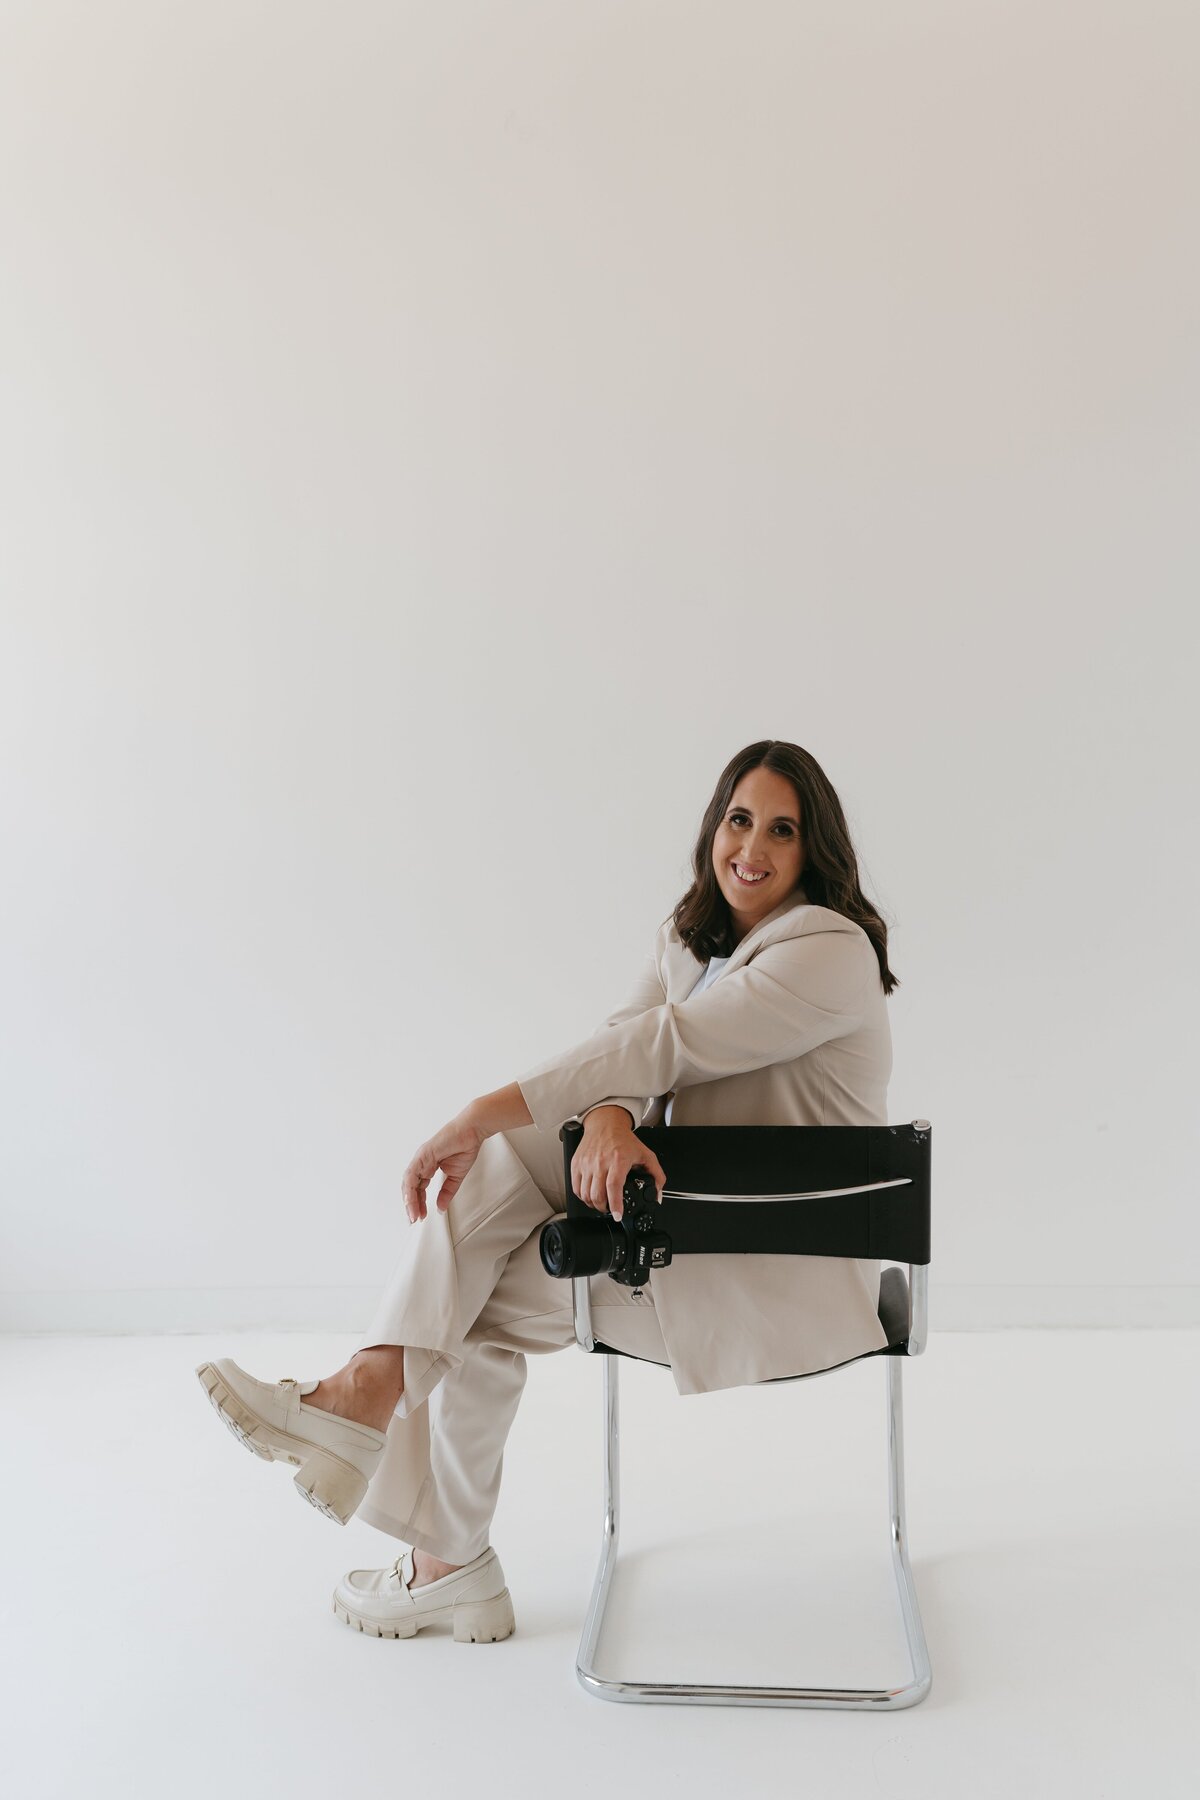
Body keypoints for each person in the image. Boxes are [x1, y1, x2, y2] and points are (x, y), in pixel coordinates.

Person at [196, 738, 900, 1643]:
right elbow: (629, 1038)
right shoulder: (692, 941)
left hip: (774, 1268)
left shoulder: (826, 952)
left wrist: (483, 1112)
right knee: (476, 1254)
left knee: (463, 1289)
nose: (751, 848)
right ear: (712, 827)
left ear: (815, 851)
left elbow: (671, 1044)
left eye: (781, 829)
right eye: (737, 819)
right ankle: (408, 1490)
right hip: (689, 1234)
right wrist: (608, 1114)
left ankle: (400, 1482)